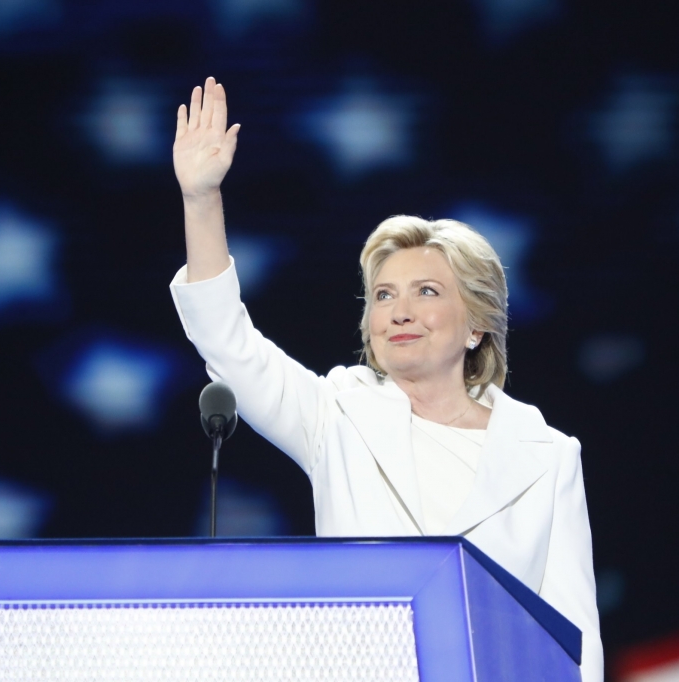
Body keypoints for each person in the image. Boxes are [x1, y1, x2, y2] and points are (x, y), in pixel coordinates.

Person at [169, 77, 603, 681]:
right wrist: (201, 199)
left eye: (426, 292)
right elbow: (227, 344)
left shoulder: (549, 456)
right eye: (382, 295)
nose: (398, 311)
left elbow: (572, 636)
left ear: (477, 324)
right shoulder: (336, 415)